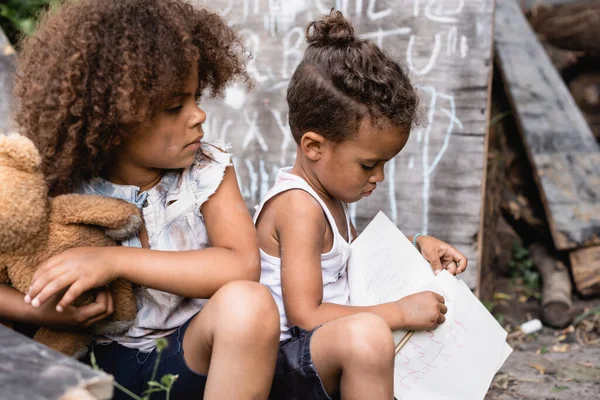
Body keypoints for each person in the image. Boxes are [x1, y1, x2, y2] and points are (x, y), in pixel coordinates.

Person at [8, 0, 280, 398]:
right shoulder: (57, 184)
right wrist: (38, 310)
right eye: (175, 107)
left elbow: (241, 265)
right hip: (92, 365)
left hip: (188, 357)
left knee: (251, 303)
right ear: (113, 118)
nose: (198, 115)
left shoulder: (208, 170)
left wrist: (113, 260)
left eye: (195, 96)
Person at [254, 10, 469, 400]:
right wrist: (400, 313)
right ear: (314, 147)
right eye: (369, 164)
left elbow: (354, 256)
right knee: (367, 339)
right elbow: (307, 317)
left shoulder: (327, 196)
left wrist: (418, 243)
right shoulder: (299, 207)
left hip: (310, 356)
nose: (379, 177)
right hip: (278, 366)